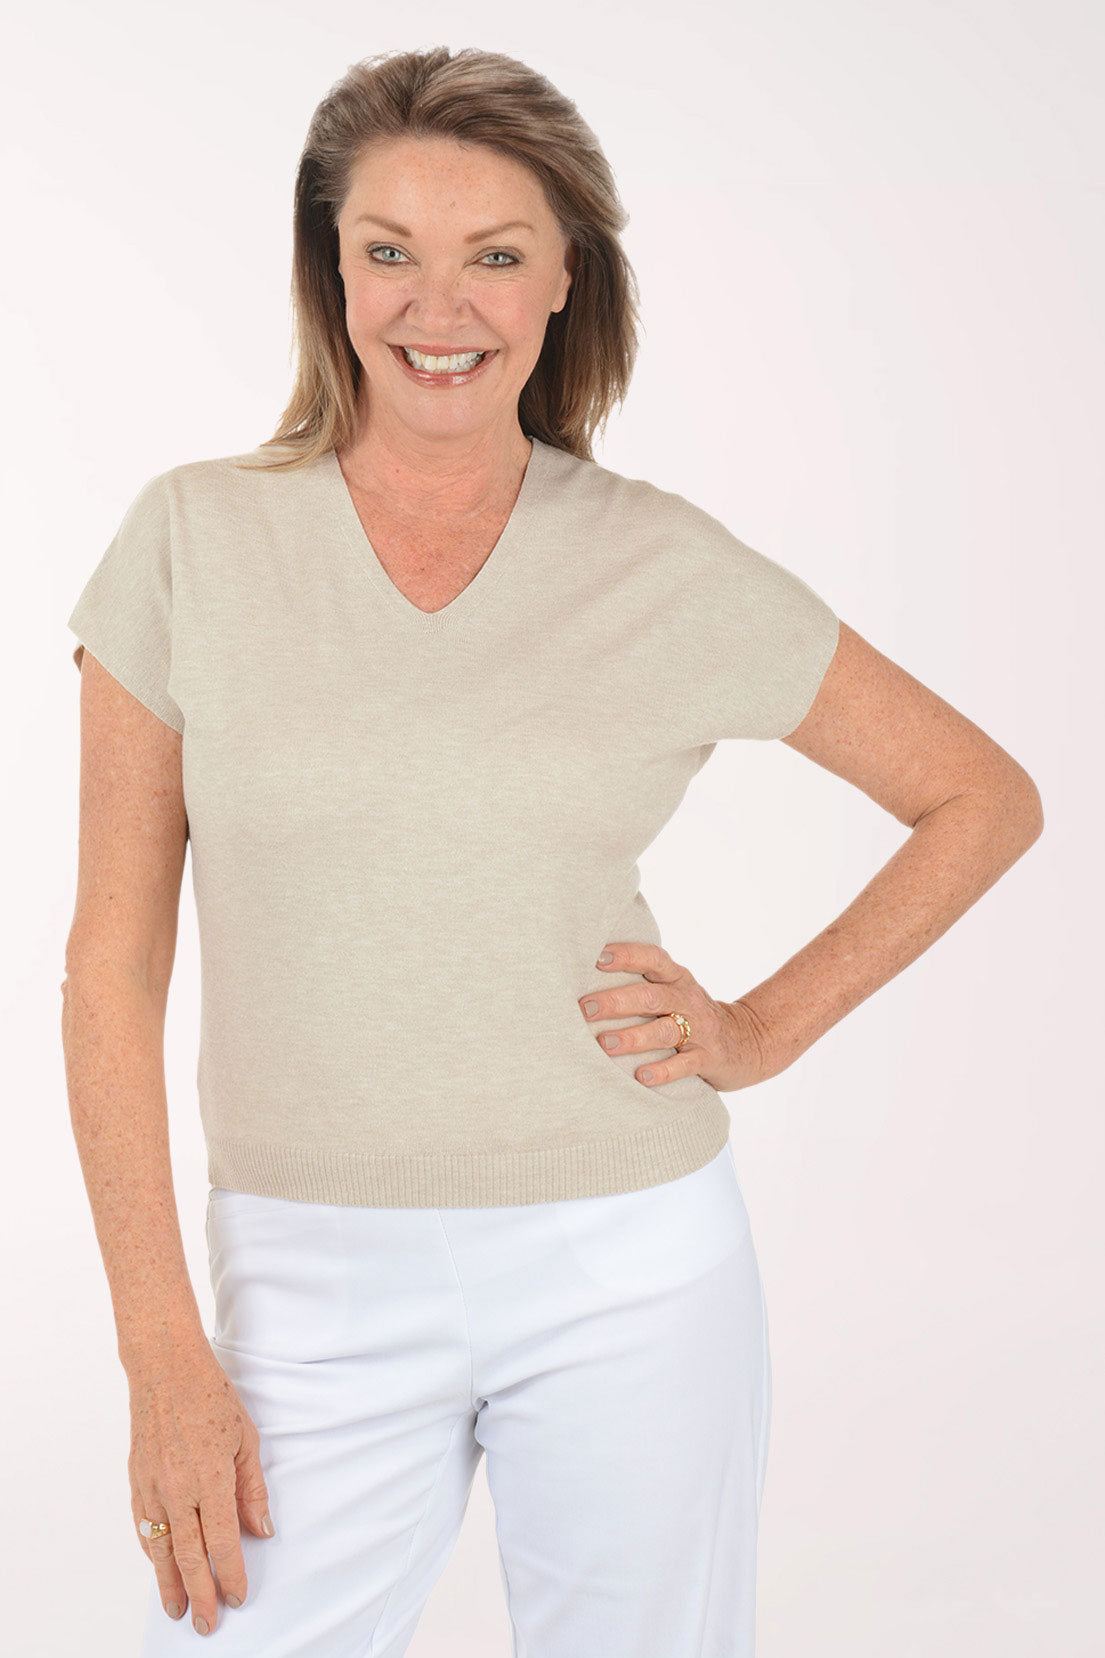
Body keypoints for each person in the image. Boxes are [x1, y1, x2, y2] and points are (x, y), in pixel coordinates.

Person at [60, 45, 1044, 1657]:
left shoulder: (658, 561)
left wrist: (760, 1027)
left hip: (627, 1264)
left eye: (493, 255)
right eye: (387, 251)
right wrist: (161, 1347)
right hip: (305, 1278)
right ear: (330, 267)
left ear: (565, 278)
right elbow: (109, 969)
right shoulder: (191, 541)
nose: (435, 307)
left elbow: (980, 796)